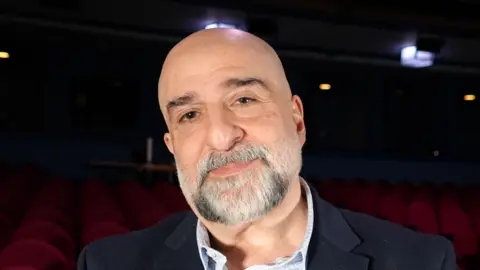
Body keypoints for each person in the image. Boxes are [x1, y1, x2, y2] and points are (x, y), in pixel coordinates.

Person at [77, 28, 456, 270]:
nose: (222, 137)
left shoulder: (421, 262)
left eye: (244, 100)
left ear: (297, 121)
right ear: (172, 147)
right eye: (190, 114)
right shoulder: (107, 264)